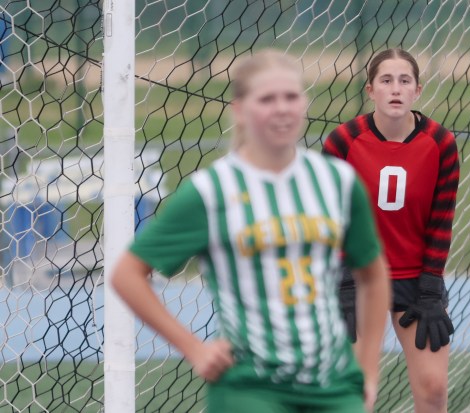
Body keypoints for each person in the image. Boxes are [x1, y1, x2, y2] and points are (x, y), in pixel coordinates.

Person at [111, 49, 390, 413]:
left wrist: (367, 372)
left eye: (291, 97)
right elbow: (127, 274)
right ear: (240, 109)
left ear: (304, 103)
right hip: (250, 388)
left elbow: (373, 274)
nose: (281, 109)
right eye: (267, 99)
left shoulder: (336, 181)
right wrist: (194, 349)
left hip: (333, 386)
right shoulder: (211, 191)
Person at [322, 48, 459, 413]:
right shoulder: (342, 142)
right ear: (371, 90)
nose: (395, 89)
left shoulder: (441, 144)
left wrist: (431, 289)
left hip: (416, 282)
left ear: (417, 90)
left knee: (433, 390)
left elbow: (441, 221)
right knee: (354, 394)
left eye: (404, 81)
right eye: (386, 80)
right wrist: (343, 283)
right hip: (358, 278)